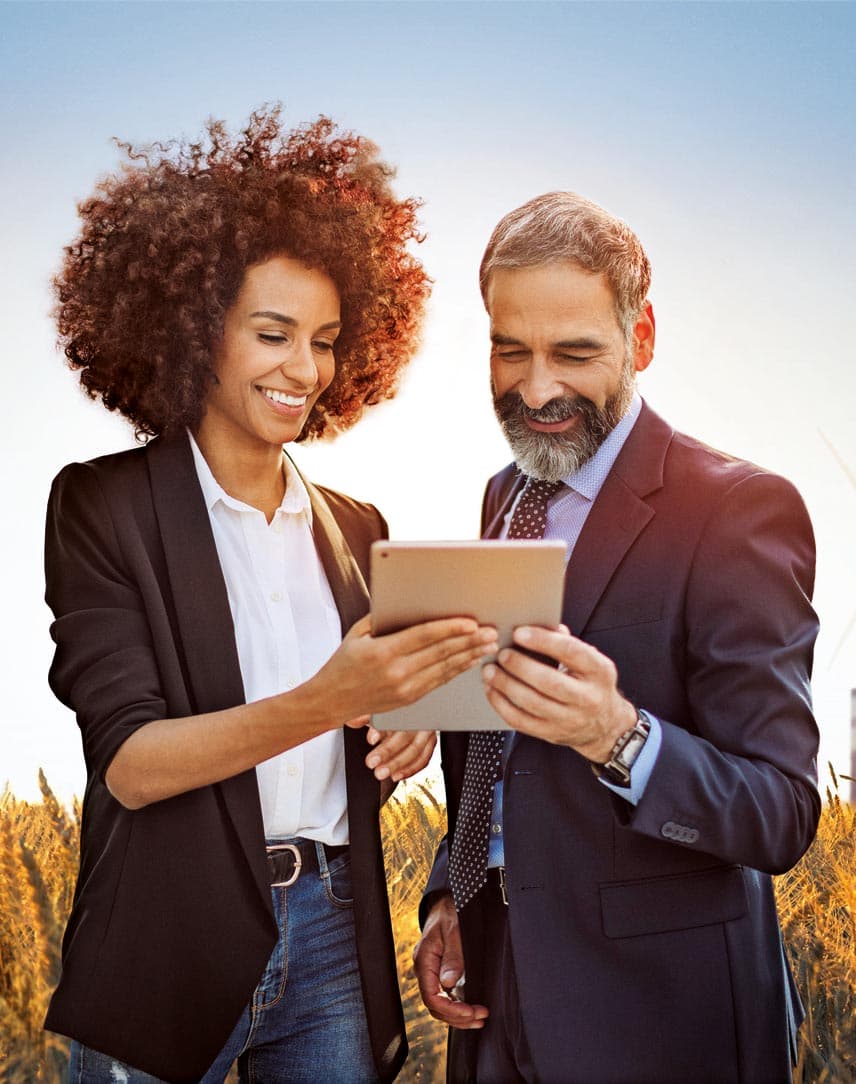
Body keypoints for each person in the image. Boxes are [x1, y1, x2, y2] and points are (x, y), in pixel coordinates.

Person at [44, 107, 497, 1084]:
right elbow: (132, 765)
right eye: (273, 334)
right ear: (195, 330)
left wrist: (403, 728)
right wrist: (329, 698)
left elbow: (361, 742)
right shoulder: (103, 506)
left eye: (325, 340)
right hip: (167, 937)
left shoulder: (360, 528)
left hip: (334, 934)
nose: (305, 370)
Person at [413, 191, 820, 1083]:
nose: (536, 389)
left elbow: (782, 812)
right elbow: (495, 748)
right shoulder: (502, 498)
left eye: (574, 353)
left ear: (641, 338)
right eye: (510, 350)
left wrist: (617, 735)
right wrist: (453, 890)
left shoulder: (739, 510)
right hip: (496, 990)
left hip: (655, 1019)